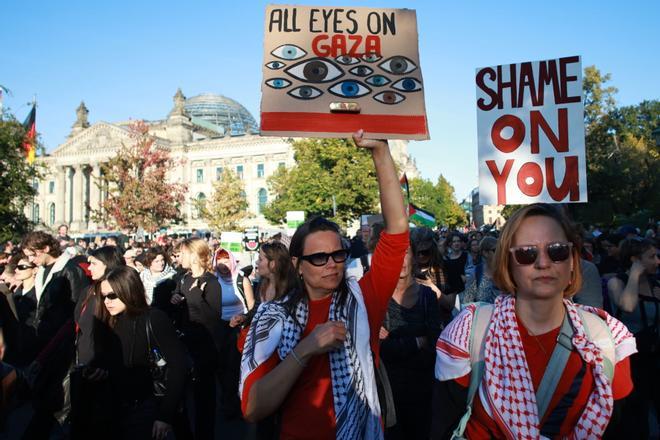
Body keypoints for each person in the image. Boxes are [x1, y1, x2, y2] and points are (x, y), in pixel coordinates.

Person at [240, 130, 409, 439]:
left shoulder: (363, 299)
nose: (332, 264)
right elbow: (253, 407)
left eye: (338, 254)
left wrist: (380, 153)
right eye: (319, 257)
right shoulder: (272, 317)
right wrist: (305, 349)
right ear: (297, 265)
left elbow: (397, 230)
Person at [432, 203, 637, 439]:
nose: (543, 263)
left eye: (557, 250)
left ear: (572, 261)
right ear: (507, 264)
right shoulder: (469, 333)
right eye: (527, 253)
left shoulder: (607, 339)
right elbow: (443, 427)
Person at [98, 266, 188, 440]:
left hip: (146, 408)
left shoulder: (154, 318)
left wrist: (164, 416)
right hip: (114, 410)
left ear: (128, 291)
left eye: (112, 295)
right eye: (103, 297)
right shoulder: (110, 321)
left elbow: (179, 367)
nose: (106, 301)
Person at [379, 244, 442, 439]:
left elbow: (433, 346)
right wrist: (416, 342)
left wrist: (392, 340)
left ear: (413, 258)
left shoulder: (427, 297)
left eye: (405, 253)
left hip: (422, 391)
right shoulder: (379, 297)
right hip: (389, 394)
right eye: (395, 254)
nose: (401, 260)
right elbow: (379, 349)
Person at [170, 238, 223, 439]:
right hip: (184, 345)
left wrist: (195, 300)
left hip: (204, 350)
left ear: (193, 255)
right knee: (181, 400)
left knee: (204, 402)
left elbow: (213, 319)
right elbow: (177, 307)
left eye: (182, 253)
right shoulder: (183, 279)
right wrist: (175, 299)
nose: (178, 257)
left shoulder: (211, 282)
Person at [607, 237, 659, 438]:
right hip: (631, 362)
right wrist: (635, 275)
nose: (657, 261)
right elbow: (627, 306)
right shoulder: (616, 282)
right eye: (651, 257)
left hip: (655, 358)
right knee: (636, 419)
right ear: (635, 259)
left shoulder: (656, 284)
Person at [71, 246, 125, 439]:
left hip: (106, 372)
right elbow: (76, 326)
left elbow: (118, 333)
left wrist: (105, 365)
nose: (89, 268)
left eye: (94, 263)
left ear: (108, 265)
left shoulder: (117, 294)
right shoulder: (88, 290)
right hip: (83, 366)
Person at [213, 247, 253, 419]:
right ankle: (226, 399)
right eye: (220, 261)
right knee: (220, 368)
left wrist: (243, 317)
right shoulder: (212, 280)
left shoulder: (241, 280)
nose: (223, 265)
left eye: (226, 260)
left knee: (234, 368)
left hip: (237, 328)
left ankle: (234, 405)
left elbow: (252, 306)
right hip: (218, 328)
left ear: (233, 261)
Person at [410, 227, 457, 325]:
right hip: (414, 329)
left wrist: (431, 287)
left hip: (441, 327)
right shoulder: (406, 270)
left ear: (433, 248)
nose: (421, 256)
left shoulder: (448, 267)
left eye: (425, 252)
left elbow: (449, 305)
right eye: (416, 252)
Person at [460, 236, 501, 305]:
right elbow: (467, 301)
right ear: (485, 253)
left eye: (501, 250)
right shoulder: (476, 273)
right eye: (495, 250)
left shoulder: (507, 271)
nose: (499, 253)